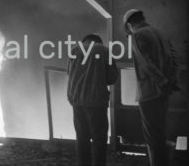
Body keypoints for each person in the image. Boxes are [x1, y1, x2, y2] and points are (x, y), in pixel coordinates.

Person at [123, 9, 180, 166]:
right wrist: (171, 81)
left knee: (153, 137)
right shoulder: (160, 32)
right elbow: (174, 59)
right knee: (160, 132)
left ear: (129, 25)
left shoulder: (137, 35)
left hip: (149, 93)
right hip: (164, 92)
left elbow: (146, 63)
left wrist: (162, 81)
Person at [67, 34, 118, 166]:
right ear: (99, 42)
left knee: (82, 137)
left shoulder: (74, 50)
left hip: (77, 100)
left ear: (84, 41)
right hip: (97, 101)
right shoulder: (105, 51)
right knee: (99, 138)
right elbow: (112, 77)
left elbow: (69, 72)